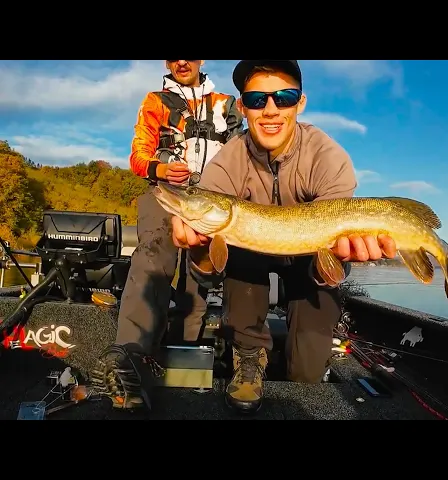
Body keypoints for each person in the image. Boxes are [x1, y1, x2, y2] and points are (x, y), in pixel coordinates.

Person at [172, 60, 397, 414]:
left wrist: (341, 257)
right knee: (240, 258)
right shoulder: (227, 163)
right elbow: (208, 274)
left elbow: (331, 266)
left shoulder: (327, 157)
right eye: (257, 100)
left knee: (307, 373)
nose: (270, 110)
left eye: (284, 97)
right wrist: (198, 249)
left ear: (300, 102)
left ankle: (306, 368)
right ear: (242, 107)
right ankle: (248, 356)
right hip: (250, 262)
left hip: (310, 260)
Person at [90, 60, 244, 410]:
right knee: (152, 260)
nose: (181, 62)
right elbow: (137, 157)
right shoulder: (154, 101)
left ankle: (183, 369)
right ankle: (130, 360)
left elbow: (241, 156)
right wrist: (160, 168)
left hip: (213, 199)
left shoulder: (227, 103)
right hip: (166, 194)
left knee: (198, 280)